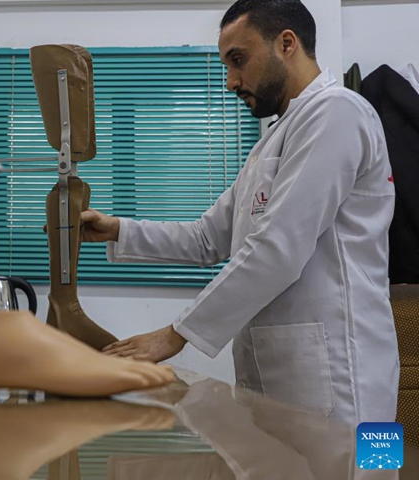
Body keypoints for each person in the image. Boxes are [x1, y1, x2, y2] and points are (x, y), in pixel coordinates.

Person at [88, 0, 398, 424]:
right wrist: (116, 230)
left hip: (350, 376)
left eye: (239, 60)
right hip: (290, 373)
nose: (231, 81)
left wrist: (175, 334)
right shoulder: (273, 140)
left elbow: (278, 248)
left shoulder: (338, 112)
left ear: (286, 43)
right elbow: (206, 237)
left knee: (374, 471)